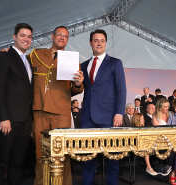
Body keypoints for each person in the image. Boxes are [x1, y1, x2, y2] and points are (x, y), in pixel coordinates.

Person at [29, 26, 84, 185]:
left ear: (67, 40)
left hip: (62, 113)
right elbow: (22, 68)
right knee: (40, 155)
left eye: (65, 36)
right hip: (39, 110)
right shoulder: (36, 55)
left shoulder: (73, 61)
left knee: (63, 156)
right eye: (59, 34)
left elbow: (75, 89)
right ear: (53, 36)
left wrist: (79, 84)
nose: (62, 38)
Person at [80, 29, 126, 185]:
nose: (99, 43)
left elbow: (121, 89)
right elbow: (81, 88)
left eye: (102, 40)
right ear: (90, 42)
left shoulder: (115, 63)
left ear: (106, 43)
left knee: (112, 156)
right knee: (87, 156)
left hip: (109, 116)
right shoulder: (83, 65)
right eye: (95, 40)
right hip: (87, 116)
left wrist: (119, 113)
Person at [0, 23, 34, 185]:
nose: (26, 39)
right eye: (22, 35)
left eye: (29, 36)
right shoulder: (4, 57)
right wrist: (3, 118)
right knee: (1, 161)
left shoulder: (28, 61)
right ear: (14, 37)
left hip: (26, 120)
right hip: (9, 120)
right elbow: (0, 88)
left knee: (18, 161)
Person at [152, 98, 172, 176]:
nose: (167, 108)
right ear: (160, 107)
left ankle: (168, 165)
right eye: (165, 107)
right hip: (159, 139)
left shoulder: (171, 114)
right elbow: (157, 129)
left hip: (170, 138)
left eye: (168, 106)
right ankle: (163, 165)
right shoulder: (155, 116)